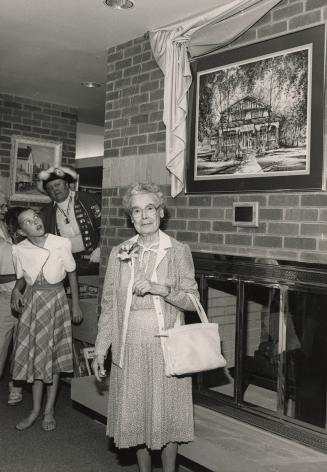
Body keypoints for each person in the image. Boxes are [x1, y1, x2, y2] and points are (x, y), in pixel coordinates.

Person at [92, 182, 199, 472]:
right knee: (137, 418)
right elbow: (110, 305)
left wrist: (160, 289)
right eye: (136, 211)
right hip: (130, 347)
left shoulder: (177, 251)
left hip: (166, 347)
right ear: (131, 217)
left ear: (161, 212)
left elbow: (193, 302)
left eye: (150, 208)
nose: (144, 216)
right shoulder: (120, 252)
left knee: (167, 419)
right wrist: (101, 348)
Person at [10, 207, 83, 431]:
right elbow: (23, 278)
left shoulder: (61, 243)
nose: (36, 222)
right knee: (37, 357)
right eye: (28, 222)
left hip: (57, 301)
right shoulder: (19, 249)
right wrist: (16, 289)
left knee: (54, 357)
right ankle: (34, 410)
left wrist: (76, 304)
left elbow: (71, 272)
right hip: (34, 304)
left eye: (36, 217)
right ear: (22, 231)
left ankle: (49, 410)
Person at [36, 166, 101, 270]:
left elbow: (105, 227)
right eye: (50, 188)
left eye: (57, 184)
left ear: (66, 184)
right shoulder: (46, 212)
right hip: (64, 262)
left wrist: (100, 248)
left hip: (93, 258)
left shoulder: (88, 200)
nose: (55, 189)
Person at [0, 193, 23, 405]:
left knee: (21, 346)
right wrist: (23, 276)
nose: (3, 209)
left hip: (26, 300)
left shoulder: (15, 235)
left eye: (5, 205)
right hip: (4, 299)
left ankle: (15, 387)